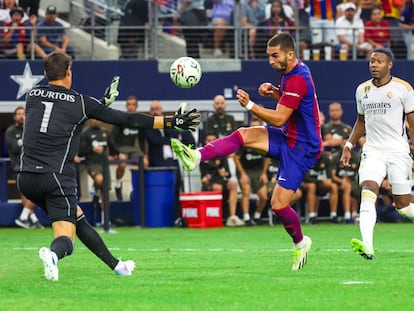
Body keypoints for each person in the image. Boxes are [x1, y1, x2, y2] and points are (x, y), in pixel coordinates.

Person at [16, 52, 200, 281]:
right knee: (67, 238)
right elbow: (126, 119)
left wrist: (100, 105)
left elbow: (59, 112)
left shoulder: (32, 95)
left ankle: (117, 266)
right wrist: (171, 121)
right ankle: (53, 255)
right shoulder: (82, 102)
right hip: (55, 177)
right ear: (69, 72)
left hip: (26, 178)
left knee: (78, 218)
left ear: (45, 74)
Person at [172, 33, 321, 270]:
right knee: (243, 134)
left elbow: (280, 117)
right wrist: (274, 92)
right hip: (288, 138)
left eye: (275, 56)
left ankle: (301, 243)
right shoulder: (289, 74)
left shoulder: (298, 77)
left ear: (290, 54)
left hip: (302, 148)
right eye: (268, 56)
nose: (271, 61)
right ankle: (196, 156)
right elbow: (292, 106)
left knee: (278, 204)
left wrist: (251, 105)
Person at [340, 48, 414, 260]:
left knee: (404, 207)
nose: (374, 64)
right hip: (372, 152)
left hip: (399, 152)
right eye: (372, 61)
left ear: (389, 65)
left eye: (379, 61)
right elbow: (361, 120)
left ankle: (369, 243)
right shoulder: (362, 90)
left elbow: (412, 125)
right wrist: (348, 145)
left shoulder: (404, 89)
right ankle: (368, 245)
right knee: (368, 191)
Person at [142, 100, 196, 222]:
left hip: (174, 162)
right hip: (158, 164)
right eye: (153, 109)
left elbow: (178, 136)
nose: (156, 111)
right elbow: (154, 140)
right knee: (162, 192)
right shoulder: (147, 126)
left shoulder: (169, 125)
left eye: (158, 109)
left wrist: (167, 128)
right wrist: (171, 141)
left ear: (162, 110)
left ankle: (177, 217)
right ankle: (162, 218)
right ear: (150, 112)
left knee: (177, 189)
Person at [5, 106, 43, 229]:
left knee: (32, 193)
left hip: (32, 165)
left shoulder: (31, 129)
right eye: (19, 114)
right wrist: (27, 144)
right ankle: (29, 218)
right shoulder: (10, 131)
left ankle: (27, 218)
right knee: (27, 194)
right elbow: (15, 148)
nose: (21, 116)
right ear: (15, 117)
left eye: (23, 114)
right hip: (18, 166)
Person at [200, 133, 243, 226]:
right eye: (208, 140)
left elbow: (228, 174)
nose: (211, 142)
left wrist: (225, 173)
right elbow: (202, 177)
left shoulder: (222, 154)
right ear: (205, 142)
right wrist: (205, 179)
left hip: (221, 180)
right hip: (210, 182)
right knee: (218, 187)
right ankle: (218, 217)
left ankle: (232, 217)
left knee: (233, 184)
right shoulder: (203, 156)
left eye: (213, 140)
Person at [234, 117, 270, 225]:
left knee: (263, 196)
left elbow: (268, 157)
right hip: (245, 169)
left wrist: (264, 173)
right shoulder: (245, 139)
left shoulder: (264, 139)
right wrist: (243, 174)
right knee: (246, 190)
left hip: (258, 170)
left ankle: (257, 216)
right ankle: (246, 218)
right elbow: (236, 158)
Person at [78, 119, 119, 212]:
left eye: (98, 119)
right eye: (94, 119)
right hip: (92, 162)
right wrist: (92, 149)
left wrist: (114, 154)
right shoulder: (86, 133)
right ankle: (95, 190)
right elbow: (81, 151)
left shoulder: (105, 132)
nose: (96, 121)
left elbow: (112, 146)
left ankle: (105, 220)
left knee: (105, 191)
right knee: (99, 179)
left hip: (104, 163)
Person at [111, 96, 145, 200]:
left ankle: (135, 188)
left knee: (145, 162)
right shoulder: (121, 119)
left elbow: (141, 139)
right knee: (122, 163)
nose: (131, 107)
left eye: (133, 105)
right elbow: (112, 138)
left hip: (132, 148)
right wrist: (115, 153)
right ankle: (117, 185)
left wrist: (144, 154)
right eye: (129, 104)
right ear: (126, 106)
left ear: (136, 106)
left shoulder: (139, 120)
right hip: (121, 148)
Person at [301, 152, 339, 224]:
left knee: (334, 186)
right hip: (305, 183)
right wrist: (320, 180)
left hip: (320, 183)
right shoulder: (305, 158)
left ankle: (333, 216)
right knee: (312, 186)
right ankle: (312, 216)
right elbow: (304, 177)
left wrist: (328, 180)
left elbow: (329, 176)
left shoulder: (325, 159)